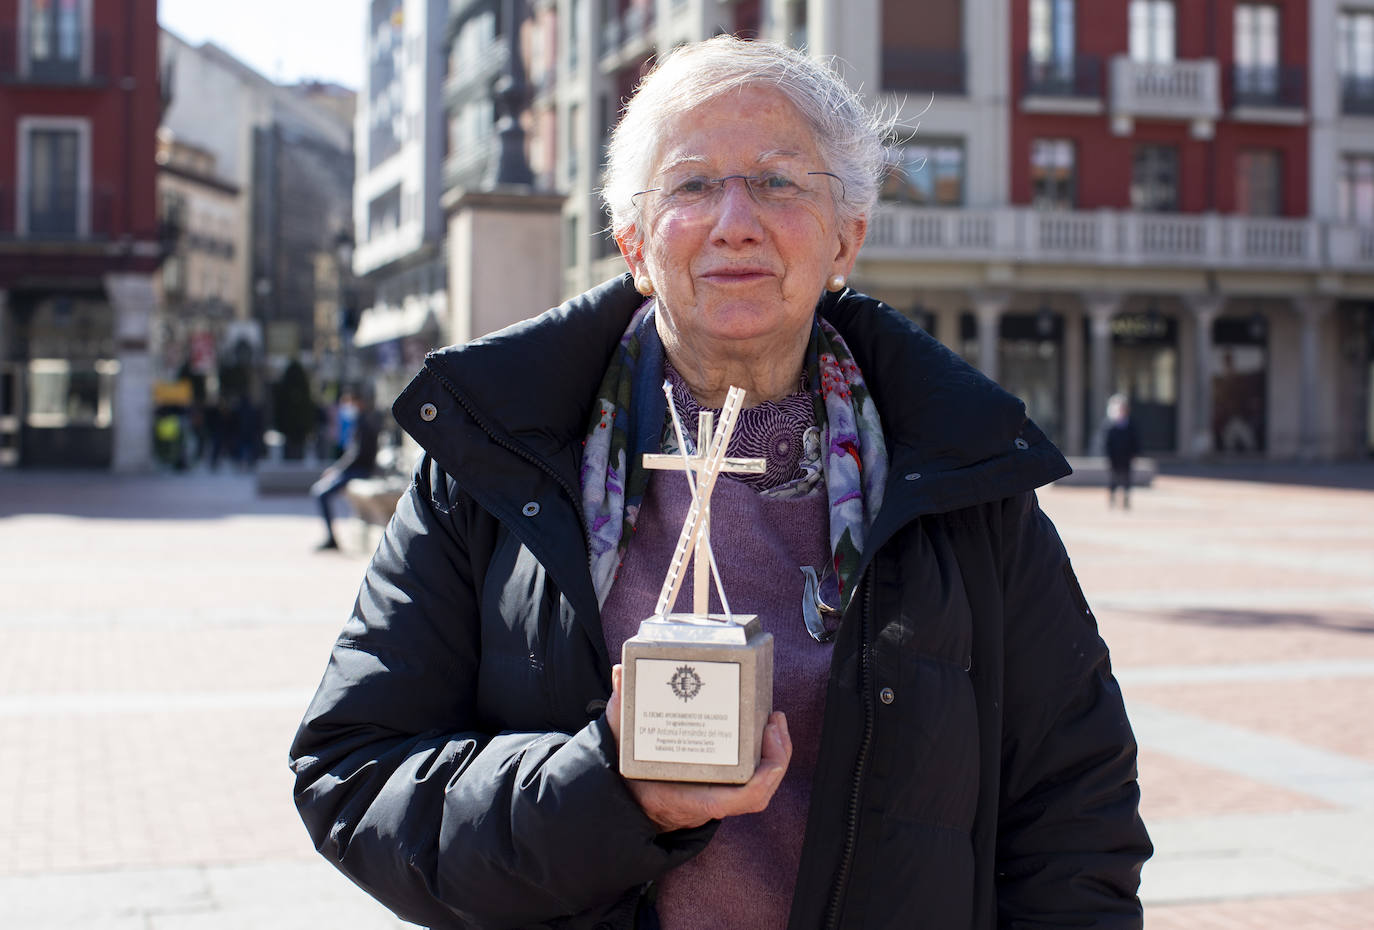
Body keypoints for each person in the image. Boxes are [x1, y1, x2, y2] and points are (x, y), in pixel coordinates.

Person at [290, 36, 1150, 929]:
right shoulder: (493, 460)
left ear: (847, 234)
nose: (735, 219)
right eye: (692, 185)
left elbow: (1075, 810)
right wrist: (611, 794)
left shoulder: (964, 474)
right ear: (632, 241)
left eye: (780, 182)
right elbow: (353, 777)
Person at [310, 388, 380, 550]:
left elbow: (358, 455)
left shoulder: (365, 423)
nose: (347, 407)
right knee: (319, 492)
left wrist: (337, 470)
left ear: (359, 403)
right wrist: (336, 468)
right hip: (355, 469)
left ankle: (331, 539)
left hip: (360, 470)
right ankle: (330, 537)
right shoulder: (360, 422)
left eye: (349, 403)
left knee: (320, 493)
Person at [1104, 393, 1141, 509]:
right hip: (1115, 456)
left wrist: (1135, 453)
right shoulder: (1111, 424)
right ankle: (1112, 498)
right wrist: (1108, 455)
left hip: (1126, 456)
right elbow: (1107, 442)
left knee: (1127, 479)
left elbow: (1135, 440)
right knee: (1113, 478)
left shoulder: (1130, 424)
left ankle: (1126, 499)